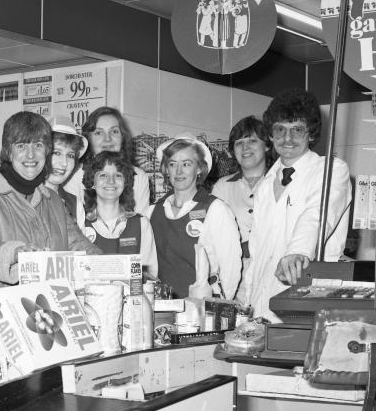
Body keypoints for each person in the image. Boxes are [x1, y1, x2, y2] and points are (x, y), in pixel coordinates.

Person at [0, 111, 100, 331]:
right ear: (8, 150)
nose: (31, 154)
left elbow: (79, 245)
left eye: (38, 145)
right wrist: (15, 253)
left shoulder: (52, 200)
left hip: (46, 321)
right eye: (21, 145)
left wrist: (113, 267)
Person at [240, 87, 352, 321]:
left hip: (309, 300)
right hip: (262, 305)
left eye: (297, 130)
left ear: (311, 134)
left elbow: (317, 215)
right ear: (271, 136)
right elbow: (257, 251)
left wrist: (297, 252)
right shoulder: (265, 184)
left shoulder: (331, 170)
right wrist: (247, 303)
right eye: (280, 129)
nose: (287, 138)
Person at [149, 135, 241, 299]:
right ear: (166, 169)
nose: (178, 171)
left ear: (199, 168)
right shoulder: (152, 212)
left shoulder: (215, 209)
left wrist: (221, 306)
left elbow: (231, 267)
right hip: (162, 305)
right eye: (172, 164)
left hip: (202, 304)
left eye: (186, 164)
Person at [82, 151, 158, 279]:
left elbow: (150, 276)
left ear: (125, 182)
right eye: (103, 175)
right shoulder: (80, 224)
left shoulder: (141, 224)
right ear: (92, 182)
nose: (111, 181)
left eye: (118, 175)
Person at [63, 106, 151, 215]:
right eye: (99, 133)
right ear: (88, 139)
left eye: (114, 131)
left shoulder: (138, 177)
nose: (107, 138)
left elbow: (142, 221)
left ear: (123, 137)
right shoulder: (74, 176)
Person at [212, 115, 272, 262]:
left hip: (274, 267)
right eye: (239, 143)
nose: (245, 147)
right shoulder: (222, 187)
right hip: (235, 270)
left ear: (267, 145)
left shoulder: (281, 182)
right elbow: (214, 233)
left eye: (252, 141)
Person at [44, 121, 87, 228]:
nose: (64, 163)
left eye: (70, 156)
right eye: (56, 153)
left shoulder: (75, 204)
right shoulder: (22, 199)